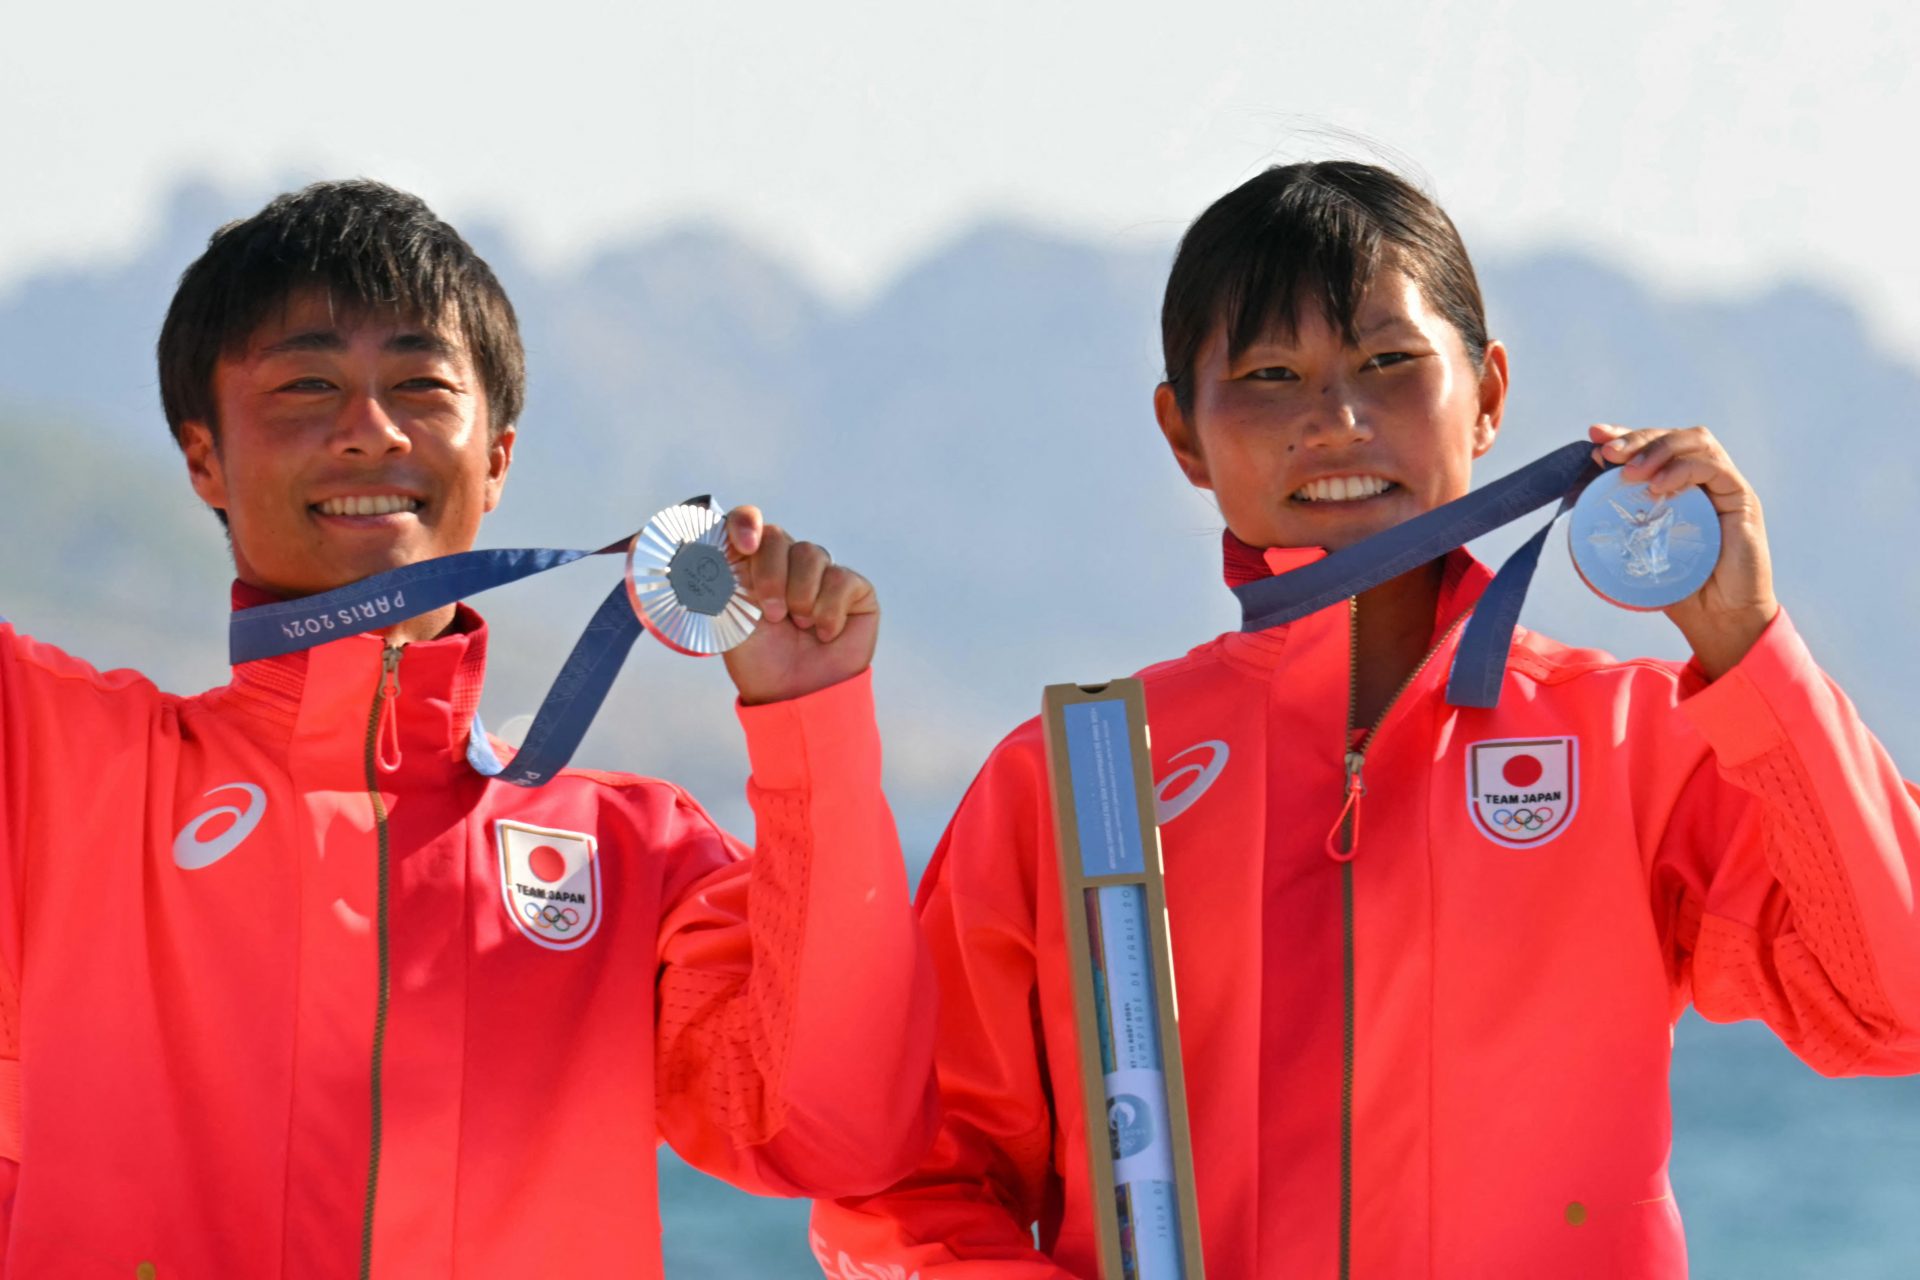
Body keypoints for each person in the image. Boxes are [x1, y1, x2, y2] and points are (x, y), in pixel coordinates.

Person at [809, 161, 1920, 1277]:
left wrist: (1750, 649)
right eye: (1269, 374)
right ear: (1183, 434)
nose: (1335, 421)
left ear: (1487, 395)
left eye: (1390, 363)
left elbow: (1890, 1004)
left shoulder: (1630, 743)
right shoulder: (1075, 775)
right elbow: (902, 1183)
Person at [0, 179, 937, 1276]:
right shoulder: (59, 765)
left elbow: (833, 1132)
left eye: (420, 385)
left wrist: (809, 722)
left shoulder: (638, 860)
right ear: (202, 454)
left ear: (496, 458)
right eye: (307, 385)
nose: (371, 431)